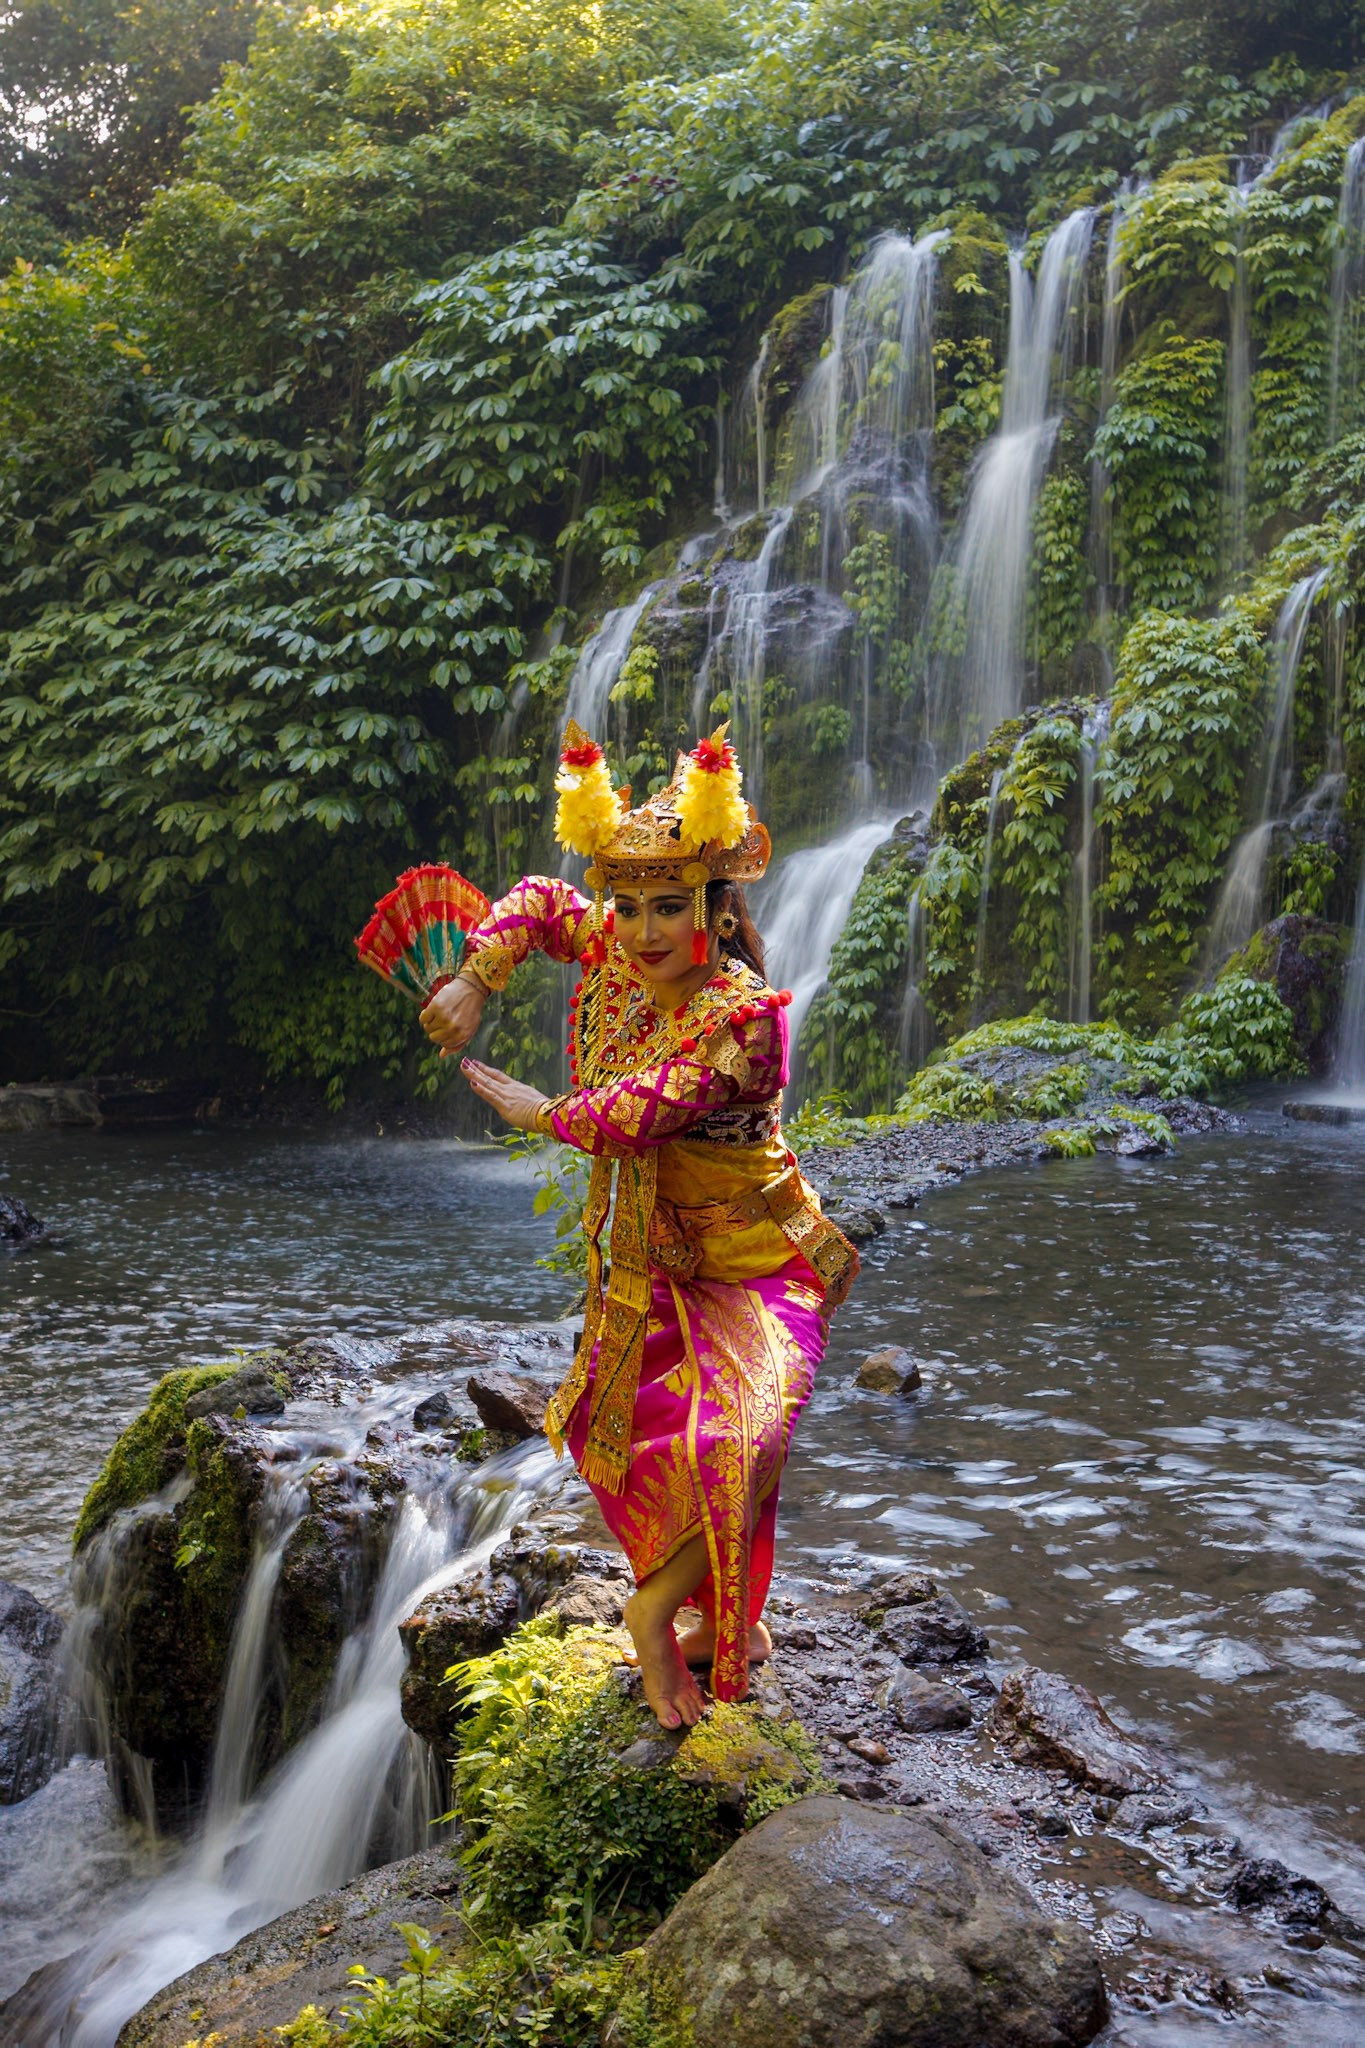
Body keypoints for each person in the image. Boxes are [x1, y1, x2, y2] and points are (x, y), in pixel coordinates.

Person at [419, 720, 858, 1729]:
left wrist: (546, 1113)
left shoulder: (746, 1015)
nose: (642, 930)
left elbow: (658, 1101)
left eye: (669, 907)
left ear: (715, 907)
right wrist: (474, 977)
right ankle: (722, 1618)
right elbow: (534, 901)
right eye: (626, 907)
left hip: (761, 1260)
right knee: (655, 1442)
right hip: (656, 1254)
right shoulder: (616, 949)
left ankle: (658, 1610)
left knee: (750, 1439)